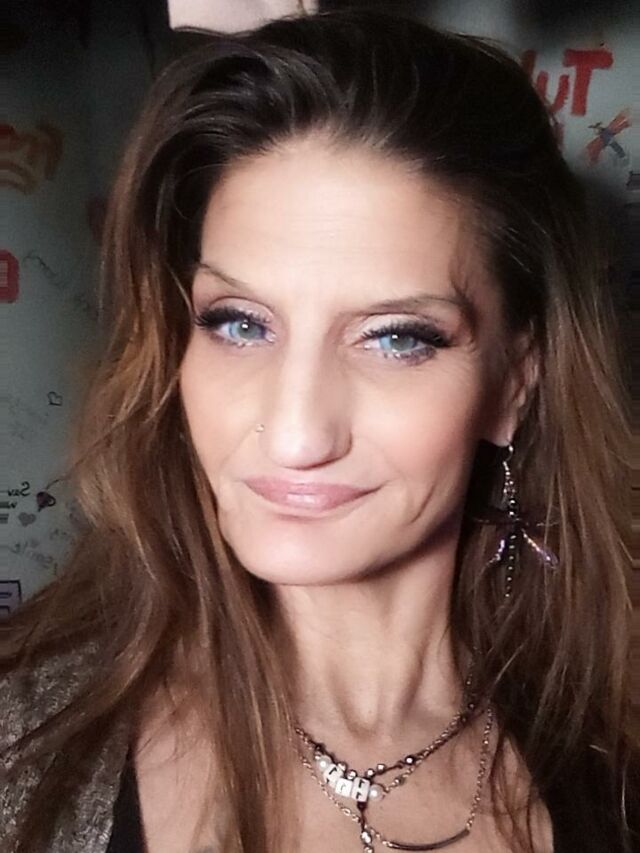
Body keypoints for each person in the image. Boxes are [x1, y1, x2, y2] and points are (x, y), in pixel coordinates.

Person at [1, 7, 638, 853]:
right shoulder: (20, 743)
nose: (297, 434)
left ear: (515, 380)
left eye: (396, 338)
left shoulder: (615, 742)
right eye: (239, 323)